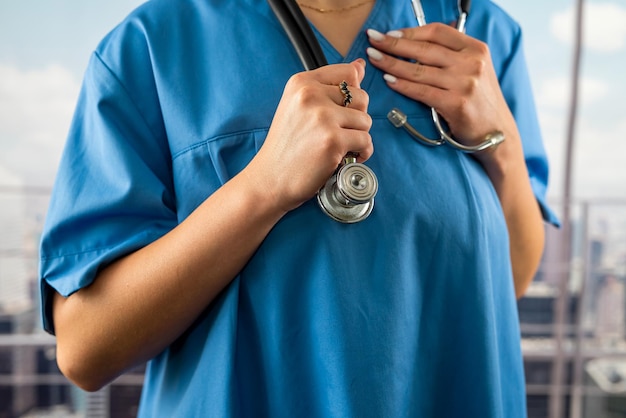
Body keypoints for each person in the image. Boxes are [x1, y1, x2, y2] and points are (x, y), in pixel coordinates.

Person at [39, 0, 558, 416]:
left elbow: (504, 280)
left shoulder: (483, 34)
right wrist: (264, 186)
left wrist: (502, 140)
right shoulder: (154, 45)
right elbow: (86, 349)